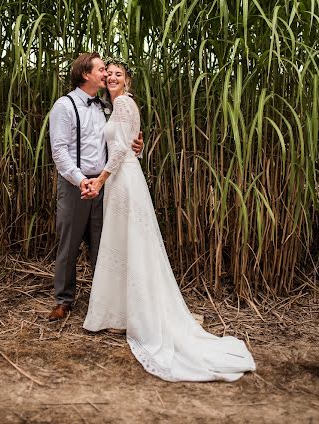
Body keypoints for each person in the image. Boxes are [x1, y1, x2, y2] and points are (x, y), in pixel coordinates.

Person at [82, 58, 256, 382]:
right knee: (123, 244)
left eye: (120, 74)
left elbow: (120, 151)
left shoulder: (122, 104)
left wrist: (101, 180)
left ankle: (135, 315)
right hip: (124, 179)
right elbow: (130, 144)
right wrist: (134, 150)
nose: (113, 78)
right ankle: (122, 312)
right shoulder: (119, 105)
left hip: (121, 180)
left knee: (129, 243)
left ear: (128, 80)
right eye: (110, 74)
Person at [48, 52, 143, 321]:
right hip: (75, 184)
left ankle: (101, 302)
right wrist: (82, 181)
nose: (106, 74)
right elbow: (59, 151)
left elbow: (122, 141)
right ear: (86, 74)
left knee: (103, 245)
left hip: (107, 184)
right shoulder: (64, 107)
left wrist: (139, 147)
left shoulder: (108, 105)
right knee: (69, 243)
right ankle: (63, 300)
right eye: (102, 69)